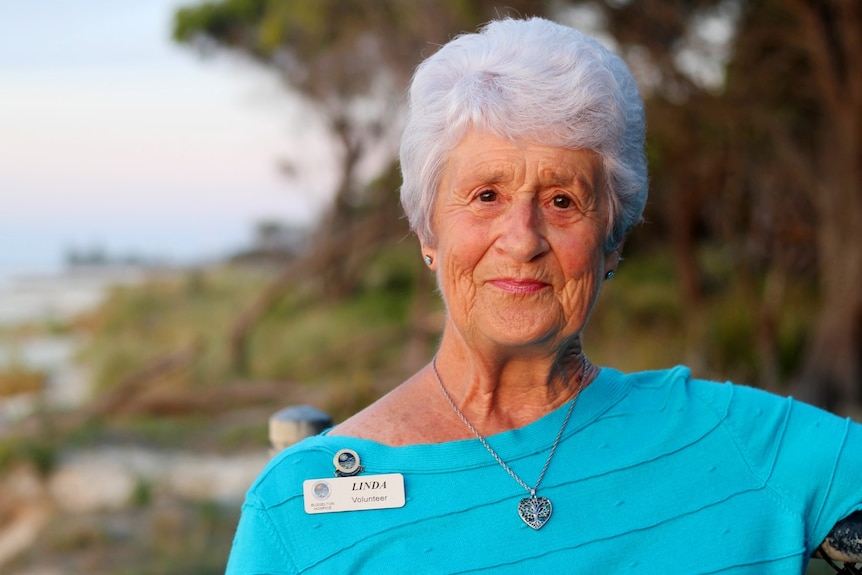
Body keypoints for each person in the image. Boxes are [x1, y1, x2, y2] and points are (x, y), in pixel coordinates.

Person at [225, 17, 862, 574]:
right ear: (427, 230)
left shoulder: (740, 441)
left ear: (612, 241)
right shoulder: (296, 506)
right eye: (486, 196)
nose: (522, 238)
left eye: (563, 201)